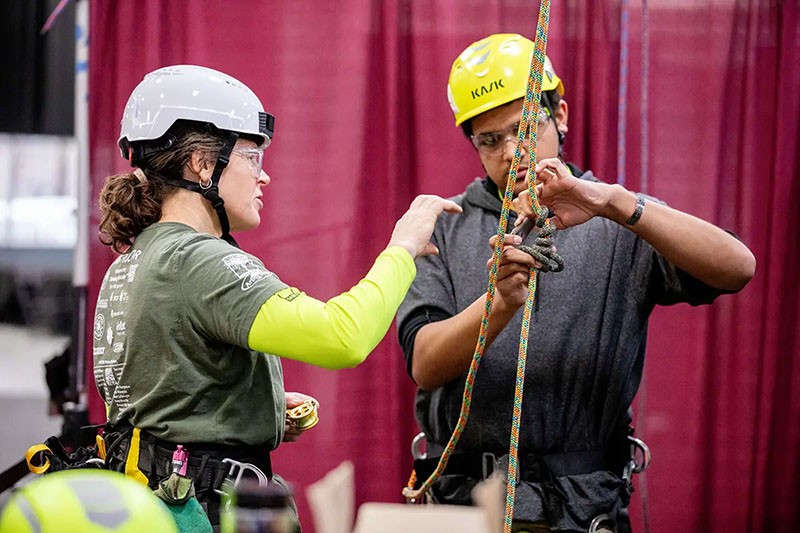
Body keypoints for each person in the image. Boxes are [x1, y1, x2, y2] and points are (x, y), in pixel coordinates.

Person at [397, 33, 755, 532]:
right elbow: (425, 364)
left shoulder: (617, 217)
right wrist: (498, 304)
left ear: (559, 116)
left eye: (524, 127)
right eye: (489, 140)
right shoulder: (444, 226)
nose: (510, 152)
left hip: (584, 508)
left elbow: (738, 267)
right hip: (464, 502)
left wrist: (614, 204)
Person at [93, 64, 460, 531]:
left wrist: (250, 403)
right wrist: (402, 248)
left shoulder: (137, 257)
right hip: (201, 513)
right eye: (252, 156)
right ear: (202, 164)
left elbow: (159, 400)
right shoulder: (197, 260)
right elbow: (341, 337)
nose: (264, 177)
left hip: (155, 505)